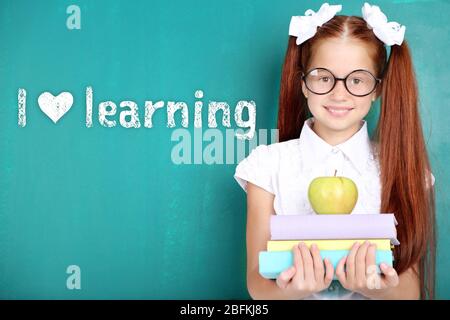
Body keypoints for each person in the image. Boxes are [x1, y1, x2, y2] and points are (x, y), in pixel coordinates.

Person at [234, 2, 436, 300]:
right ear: (303, 82)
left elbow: (410, 292)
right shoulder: (267, 166)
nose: (338, 93)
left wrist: (368, 285)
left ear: (377, 88)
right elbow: (257, 284)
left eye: (357, 80)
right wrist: (293, 290)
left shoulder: (405, 170)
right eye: (323, 77)